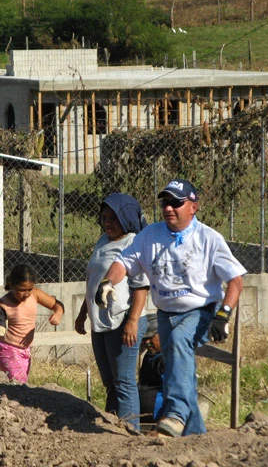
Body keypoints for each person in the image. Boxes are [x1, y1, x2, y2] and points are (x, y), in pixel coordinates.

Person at [96, 178, 246, 437]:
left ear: (193, 207)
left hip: (200, 311)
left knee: (178, 343)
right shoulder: (151, 235)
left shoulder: (208, 239)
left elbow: (235, 281)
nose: (169, 208)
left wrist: (224, 314)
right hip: (166, 314)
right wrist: (109, 281)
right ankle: (196, 435)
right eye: (166, 203)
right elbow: (124, 262)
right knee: (179, 367)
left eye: (176, 203)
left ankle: (175, 414)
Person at [74, 193, 149, 432]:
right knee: (111, 383)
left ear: (126, 218)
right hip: (101, 320)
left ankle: (131, 432)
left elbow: (141, 286)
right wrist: (83, 313)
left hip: (125, 320)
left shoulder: (134, 243)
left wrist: (133, 322)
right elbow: (95, 282)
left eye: (113, 218)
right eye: (104, 218)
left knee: (124, 382)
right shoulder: (103, 241)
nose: (107, 223)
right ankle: (112, 429)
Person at [0, 264, 64, 383]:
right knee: (19, 384)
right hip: (7, 349)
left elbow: (57, 305)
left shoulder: (35, 294)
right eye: (22, 290)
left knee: (21, 385)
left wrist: (58, 313)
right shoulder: (3, 304)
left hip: (25, 351)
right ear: (11, 285)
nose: (26, 294)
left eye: (29, 289)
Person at [138, 313, 165, 425]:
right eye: (144, 339)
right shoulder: (148, 356)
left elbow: (173, 392)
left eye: (150, 338)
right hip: (142, 417)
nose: (147, 342)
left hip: (156, 418)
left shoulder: (166, 360)